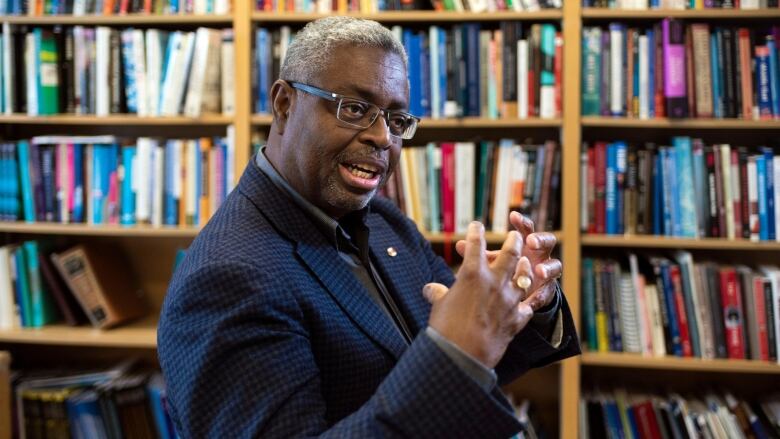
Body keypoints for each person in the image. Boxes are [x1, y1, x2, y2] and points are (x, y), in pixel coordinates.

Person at [157, 16, 580, 438]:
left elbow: (470, 356)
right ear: (285, 103)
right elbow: (452, 361)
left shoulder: (382, 221)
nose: (382, 137)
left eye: (396, 120)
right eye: (355, 109)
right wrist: (455, 353)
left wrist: (521, 299)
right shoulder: (227, 278)